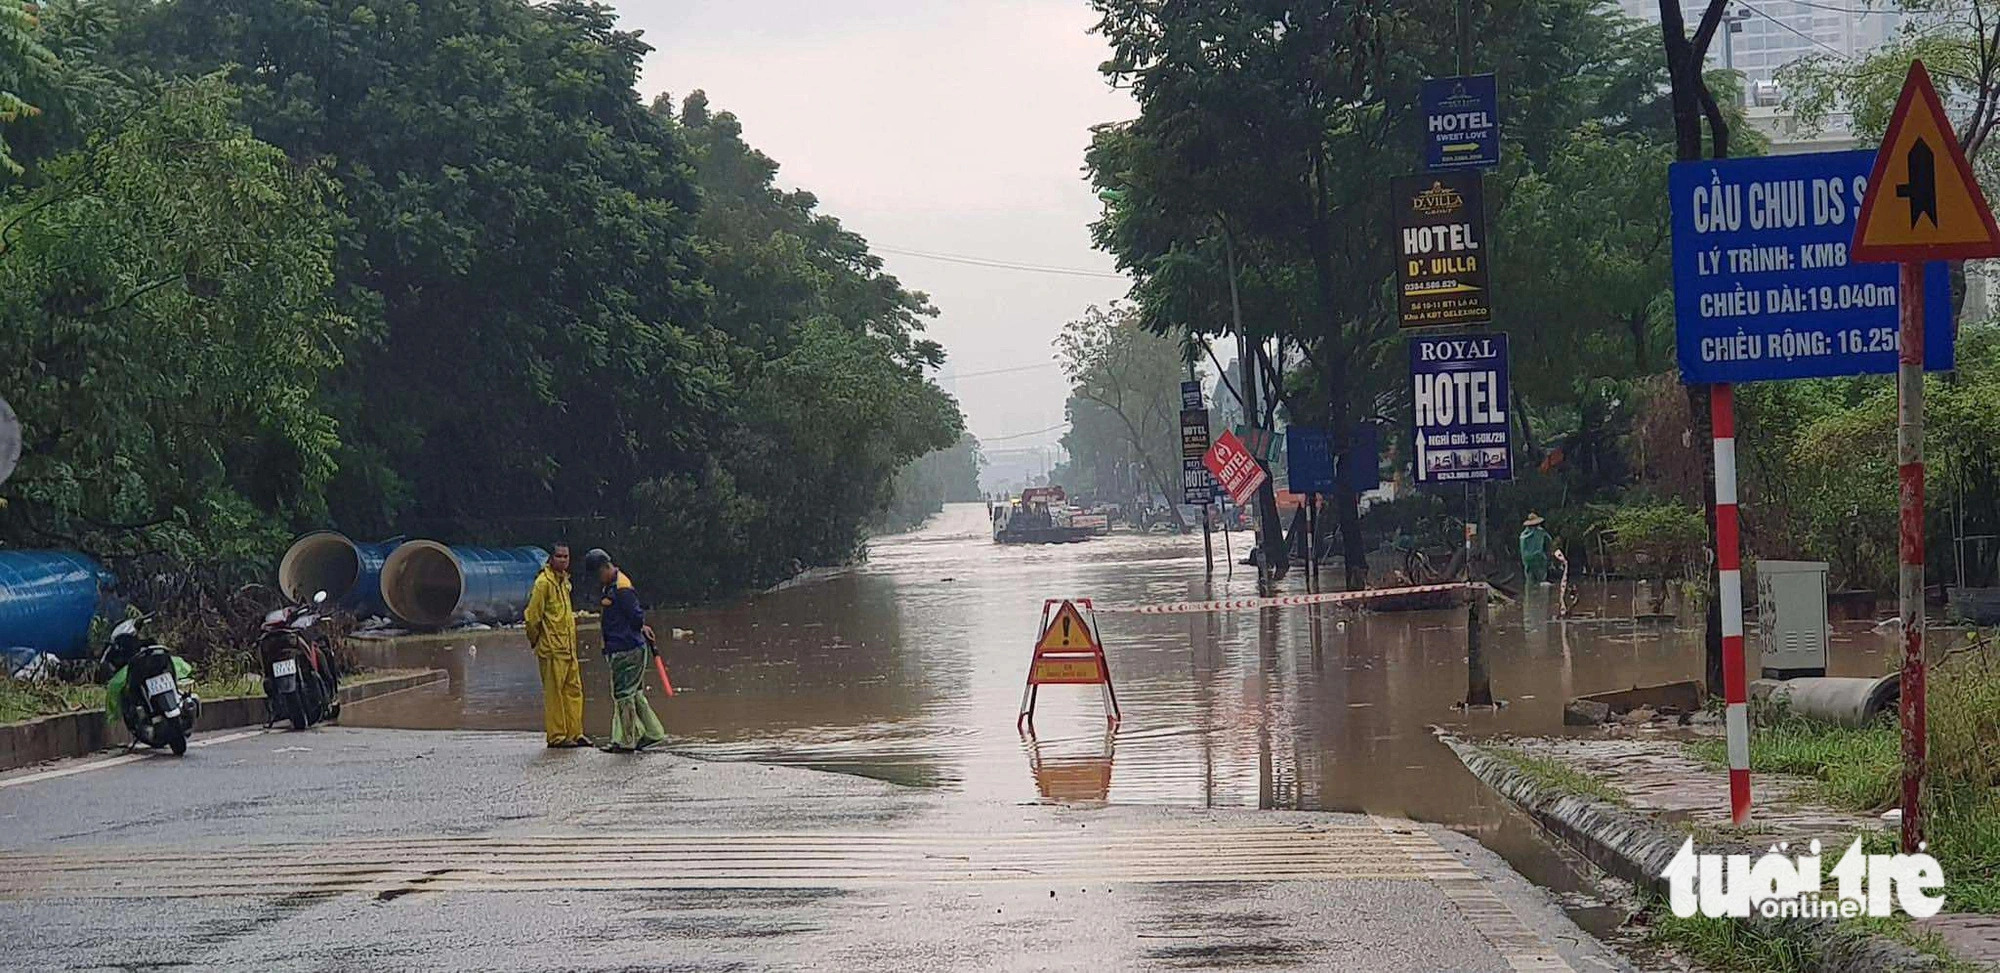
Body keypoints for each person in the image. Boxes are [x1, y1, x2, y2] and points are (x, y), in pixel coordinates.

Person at [582, 548, 665, 753]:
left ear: (604, 568)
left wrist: (639, 628)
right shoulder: (612, 585)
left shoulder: (621, 588)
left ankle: (626, 740)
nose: (597, 580)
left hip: (626, 649)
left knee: (623, 695)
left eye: (597, 574)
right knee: (633, 694)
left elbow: (636, 616)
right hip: (624, 647)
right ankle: (653, 733)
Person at [524, 543, 588, 748]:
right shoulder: (543, 583)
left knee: (574, 691)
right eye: (559, 556)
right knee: (554, 694)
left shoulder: (564, 583)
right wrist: (536, 640)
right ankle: (557, 736)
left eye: (566, 556)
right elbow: (532, 617)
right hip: (551, 649)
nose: (563, 560)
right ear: (551, 559)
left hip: (568, 648)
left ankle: (575, 733)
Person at [1519, 513, 1554, 585]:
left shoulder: (1523, 535)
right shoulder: (1541, 532)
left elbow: (1522, 549)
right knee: (1542, 582)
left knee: (1530, 583)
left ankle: (1529, 595)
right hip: (1539, 560)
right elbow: (1549, 543)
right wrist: (1549, 558)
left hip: (1527, 561)